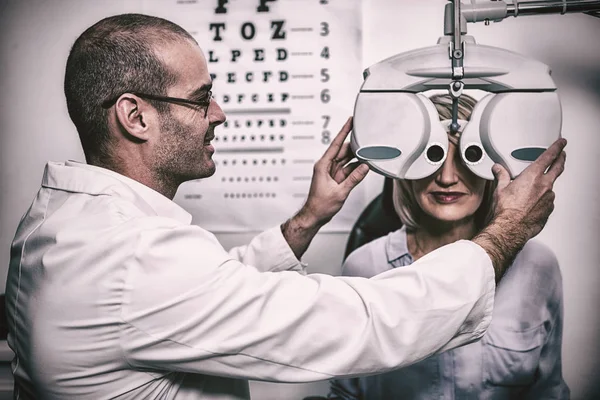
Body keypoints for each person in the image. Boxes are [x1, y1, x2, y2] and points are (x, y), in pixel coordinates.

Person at [4, 14, 566, 400]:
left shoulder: (65, 226)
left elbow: (202, 295)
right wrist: (507, 229)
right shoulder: (127, 257)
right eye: (201, 99)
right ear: (135, 116)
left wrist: (307, 219)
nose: (220, 113)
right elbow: (365, 325)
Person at [329, 93, 569, 400]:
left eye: (466, 158)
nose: (446, 177)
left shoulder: (538, 266)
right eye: (432, 156)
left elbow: (548, 391)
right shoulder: (363, 268)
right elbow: (347, 393)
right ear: (405, 171)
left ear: (493, 168)